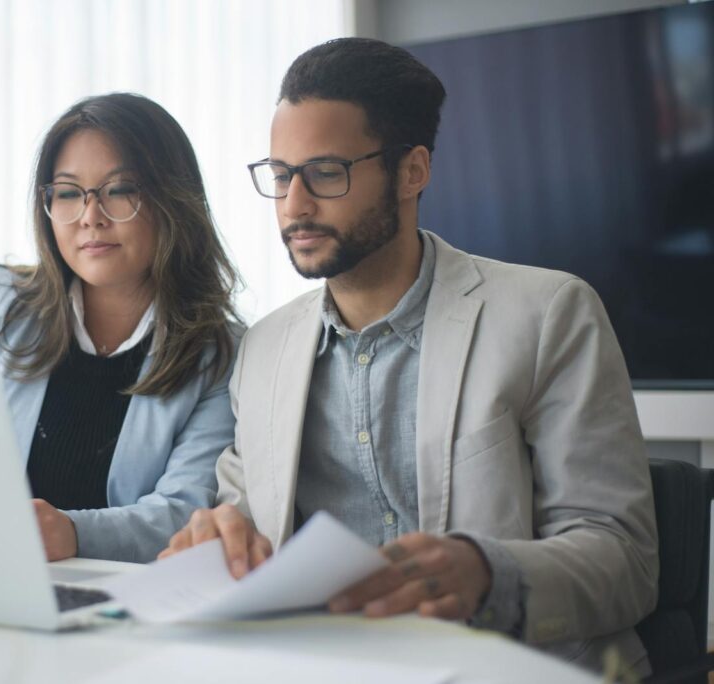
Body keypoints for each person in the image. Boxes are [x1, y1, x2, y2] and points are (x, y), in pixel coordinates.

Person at [160, 38, 658, 673]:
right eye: (281, 175)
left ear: (413, 171)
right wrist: (216, 542)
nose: (294, 205)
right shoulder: (263, 349)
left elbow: (626, 562)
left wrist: (487, 573)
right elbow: (243, 523)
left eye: (326, 172)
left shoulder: (548, 314)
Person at [0, 93, 241, 563]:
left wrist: (73, 532)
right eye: (67, 192)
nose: (90, 216)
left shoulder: (219, 354)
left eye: (120, 190)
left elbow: (185, 513)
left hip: (121, 594)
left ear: (173, 199)